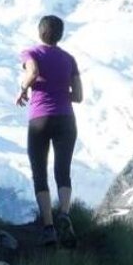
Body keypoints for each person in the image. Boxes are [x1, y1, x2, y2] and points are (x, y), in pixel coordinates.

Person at [16, 14, 83, 247]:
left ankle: (48, 227)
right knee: (62, 171)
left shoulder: (31, 53)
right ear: (60, 35)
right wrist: (60, 93)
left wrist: (23, 89)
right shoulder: (69, 59)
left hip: (40, 119)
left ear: (39, 32)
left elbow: (32, 72)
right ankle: (64, 214)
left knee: (39, 172)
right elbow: (79, 96)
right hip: (66, 119)